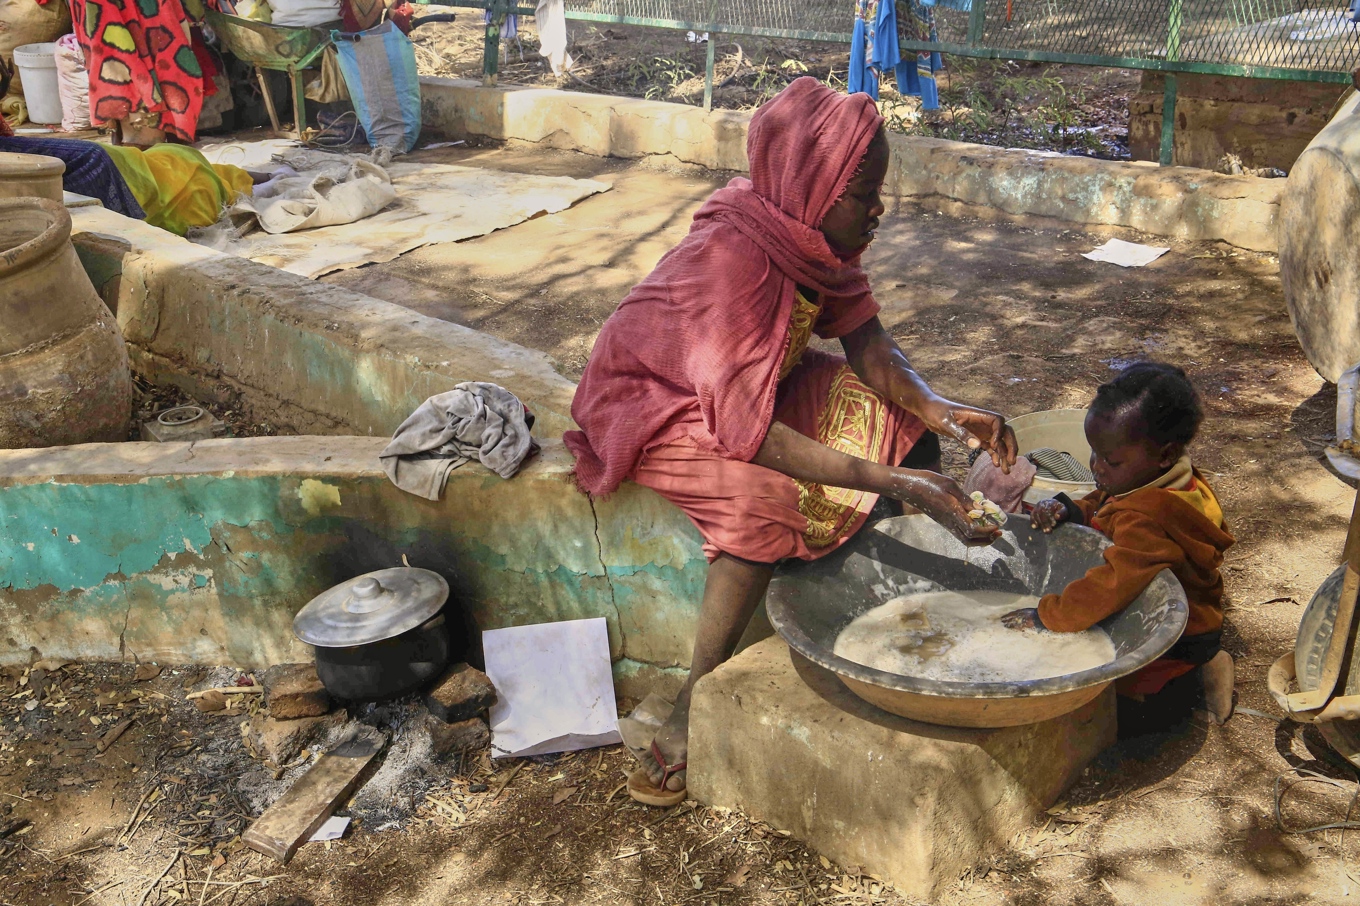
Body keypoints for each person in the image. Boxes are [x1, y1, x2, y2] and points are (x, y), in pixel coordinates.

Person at [565, 77, 1018, 806]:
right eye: (863, 194)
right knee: (762, 503)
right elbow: (750, 437)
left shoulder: (813, 239)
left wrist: (942, 411)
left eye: (877, 191)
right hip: (654, 403)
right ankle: (692, 705)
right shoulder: (734, 264)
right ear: (813, 187)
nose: (877, 208)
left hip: (753, 386)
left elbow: (870, 345)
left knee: (901, 425)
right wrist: (900, 484)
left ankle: (899, 615)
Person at [1001, 362, 1236, 728]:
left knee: (1114, 704)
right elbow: (1105, 504)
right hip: (1171, 608)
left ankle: (1204, 675)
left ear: (1165, 454)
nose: (1096, 467)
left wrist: (1049, 616)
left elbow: (1112, 585)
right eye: (1094, 452)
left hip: (1182, 634)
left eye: (1110, 460)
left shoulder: (1149, 519)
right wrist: (1070, 509)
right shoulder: (1160, 477)